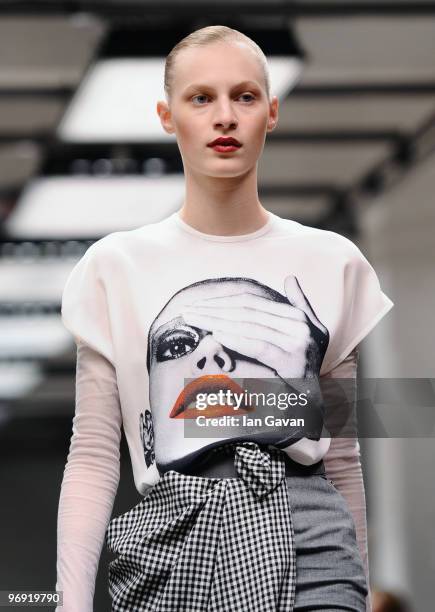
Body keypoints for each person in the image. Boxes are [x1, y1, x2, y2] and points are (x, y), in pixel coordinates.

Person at [55, 25, 394, 611]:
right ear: (168, 116)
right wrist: (72, 603)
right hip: (167, 546)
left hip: (309, 542)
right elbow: (92, 454)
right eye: (200, 98)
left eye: (244, 96)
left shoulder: (332, 262)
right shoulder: (115, 266)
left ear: (271, 111)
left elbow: (340, 455)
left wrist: (356, 587)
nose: (225, 117)